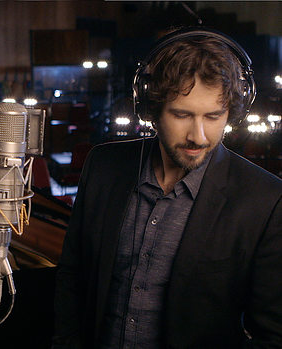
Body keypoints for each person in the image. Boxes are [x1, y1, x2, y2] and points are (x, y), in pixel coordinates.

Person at [53, 28, 282, 348]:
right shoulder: (102, 166)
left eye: (214, 116)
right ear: (150, 109)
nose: (198, 136)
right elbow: (71, 277)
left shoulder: (266, 199)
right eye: (181, 114)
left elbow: (273, 336)